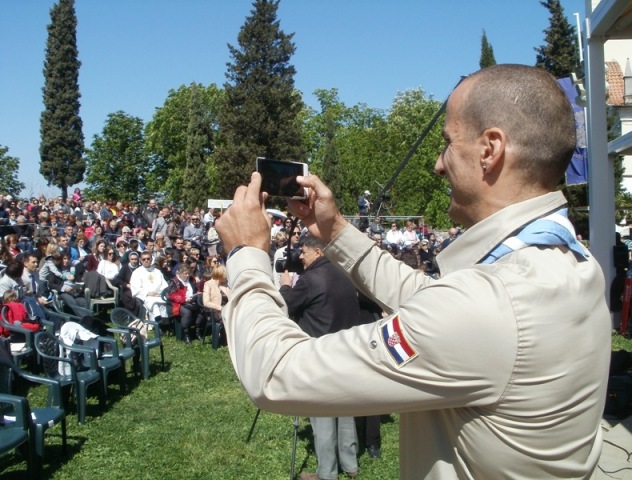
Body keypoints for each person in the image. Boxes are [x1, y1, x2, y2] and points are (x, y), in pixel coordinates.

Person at [215, 64, 611, 479]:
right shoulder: (569, 260)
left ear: (489, 150)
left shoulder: (493, 303)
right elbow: (429, 299)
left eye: (447, 143)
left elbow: (278, 374)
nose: (439, 165)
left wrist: (246, 253)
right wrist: (334, 231)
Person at [278, 234, 360, 480]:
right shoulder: (343, 274)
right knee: (345, 410)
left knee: (322, 413)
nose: (300, 256)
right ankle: (351, 464)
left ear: (319, 252)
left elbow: (284, 305)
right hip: (345, 350)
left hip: (319, 354)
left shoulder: (310, 279)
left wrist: (284, 284)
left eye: (304, 251)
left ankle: (327, 473)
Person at [167, 263, 201, 344]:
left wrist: (196, 294)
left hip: (191, 301)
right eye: (185, 273)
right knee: (187, 312)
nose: (187, 275)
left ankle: (197, 331)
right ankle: (186, 334)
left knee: (201, 310)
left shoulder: (191, 280)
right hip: (176, 304)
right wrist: (184, 299)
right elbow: (171, 295)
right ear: (180, 273)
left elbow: (196, 290)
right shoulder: (174, 281)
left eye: (188, 273)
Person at [130, 251, 168, 323]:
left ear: (151, 259)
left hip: (158, 295)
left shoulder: (157, 271)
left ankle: (165, 322)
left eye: (148, 258)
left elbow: (164, 285)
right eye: (144, 259)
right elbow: (135, 288)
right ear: (140, 260)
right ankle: (157, 322)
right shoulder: (137, 272)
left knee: (162, 301)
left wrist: (160, 292)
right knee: (153, 303)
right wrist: (147, 293)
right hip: (146, 296)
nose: (146, 260)